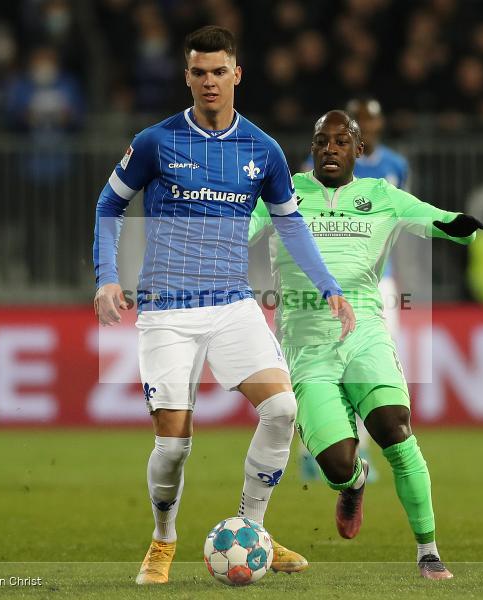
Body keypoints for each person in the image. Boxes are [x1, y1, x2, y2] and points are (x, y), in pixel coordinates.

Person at [92, 26, 355, 585]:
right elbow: (108, 205)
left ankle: (252, 529)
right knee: (173, 445)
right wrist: (107, 278)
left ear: (237, 74)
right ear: (186, 76)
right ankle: (163, 540)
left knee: (283, 410)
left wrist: (328, 284)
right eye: (198, 73)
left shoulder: (262, 149)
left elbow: (289, 222)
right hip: (167, 310)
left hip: (233, 304)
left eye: (218, 72)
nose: (209, 82)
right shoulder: (156, 142)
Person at [250, 110, 483, 580]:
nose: (331, 149)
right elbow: (237, 231)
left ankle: (428, 551)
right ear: (312, 149)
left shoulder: (382, 196)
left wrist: (463, 225)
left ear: (359, 150)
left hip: (365, 334)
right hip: (305, 344)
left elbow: (437, 219)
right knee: (337, 462)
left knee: (395, 430)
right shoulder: (283, 192)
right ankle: (352, 483)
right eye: (322, 141)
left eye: (341, 141)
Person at [297, 97, 410, 483]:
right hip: (320, 287)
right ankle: (312, 448)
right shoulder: (314, 172)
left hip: (378, 283)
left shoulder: (395, 166)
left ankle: (359, 451)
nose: (366, 124)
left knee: (369, 367)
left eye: (370, 120)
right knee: (316, 370)